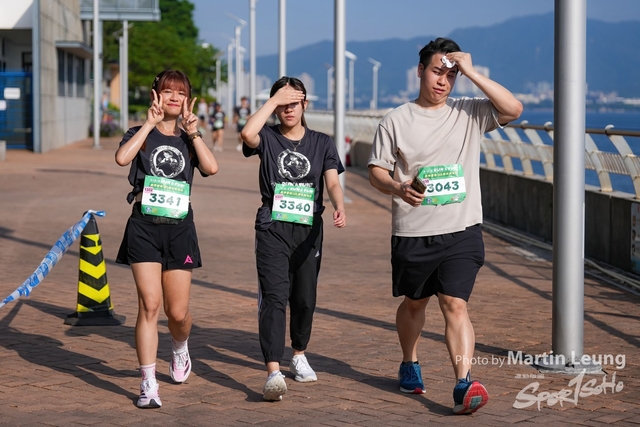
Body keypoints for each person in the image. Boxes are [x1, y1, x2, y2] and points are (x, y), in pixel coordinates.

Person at [368, 37, 523, 415]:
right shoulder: (395, 120)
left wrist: (471, 71)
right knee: (415, 303)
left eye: (451, 75)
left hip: (461, 228)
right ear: (420, 70)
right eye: (437, 72)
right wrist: (398, 187)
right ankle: (409, 361)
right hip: (414, 230)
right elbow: (376, 172)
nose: (443, 81)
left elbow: (514, 109)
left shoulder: (469, 111)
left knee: (455, 304)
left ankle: (463, 382)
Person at [114, 70, 219, 409]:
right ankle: (148, 383)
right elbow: (122, 158)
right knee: (150, 305)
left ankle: (179, 345)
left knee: (177, 313)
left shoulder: (189, 138)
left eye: (181, 93)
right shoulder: (139, 133)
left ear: (188, 99)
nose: (174, 97)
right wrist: (149, 124)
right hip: (144, 226)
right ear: (155, 95)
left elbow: (211, 168)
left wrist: (194, 132)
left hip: (179, 229)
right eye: (168, 91)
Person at [240, 77, 347, 402]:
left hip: (308, 229)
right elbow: (247, 134)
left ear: (304, 105)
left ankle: (299, 354)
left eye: (294, 103)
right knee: (274, 297)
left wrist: (339, 205)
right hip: (272, 227)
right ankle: (273, 370)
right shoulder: (268, 137)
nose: (288, 109)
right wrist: (273, 100)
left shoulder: (322, 142)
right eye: (282, 104)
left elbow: (332, 181)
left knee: (304, 297)